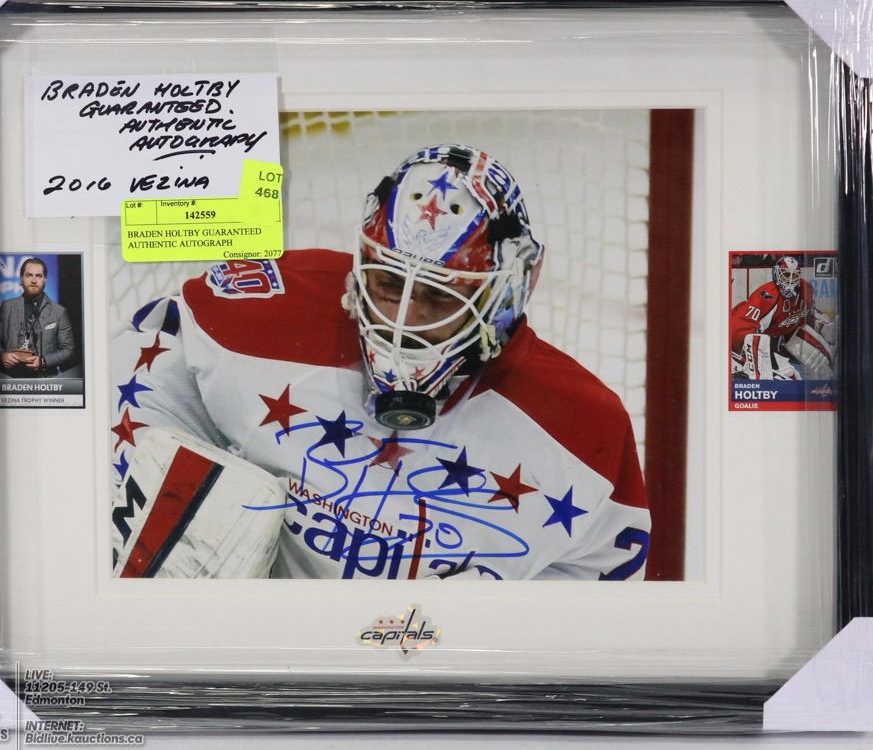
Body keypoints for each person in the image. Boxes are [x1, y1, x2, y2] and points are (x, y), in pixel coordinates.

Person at [110, 145, 650, 580]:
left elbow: (600, 590)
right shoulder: (263, 310)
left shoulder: (584, 432)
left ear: (501, 299)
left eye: (439, 297)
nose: (403, 319)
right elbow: (131, 385)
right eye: (390, 283)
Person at [730, 256, 835, 380]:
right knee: (785, 376)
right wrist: (742, 358)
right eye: (786, 275)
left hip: (778, 335)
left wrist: (819, 324)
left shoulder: (806, 289)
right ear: (776, 274)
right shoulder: (766, 296)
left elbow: (807, 314)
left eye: (794, 276)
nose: (790, 280)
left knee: (823, 364)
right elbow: (741, 328)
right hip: (739, 336)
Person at [0, 257, 75, 378]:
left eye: (38, 276)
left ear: (45, 279)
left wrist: (43, 361)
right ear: (21, 278)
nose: (34, 280)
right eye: (29, 275)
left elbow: (68, 349)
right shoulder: (6, 307)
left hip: (43, 380)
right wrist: (2, 355)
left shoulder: (59, 312)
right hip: (9, 379)